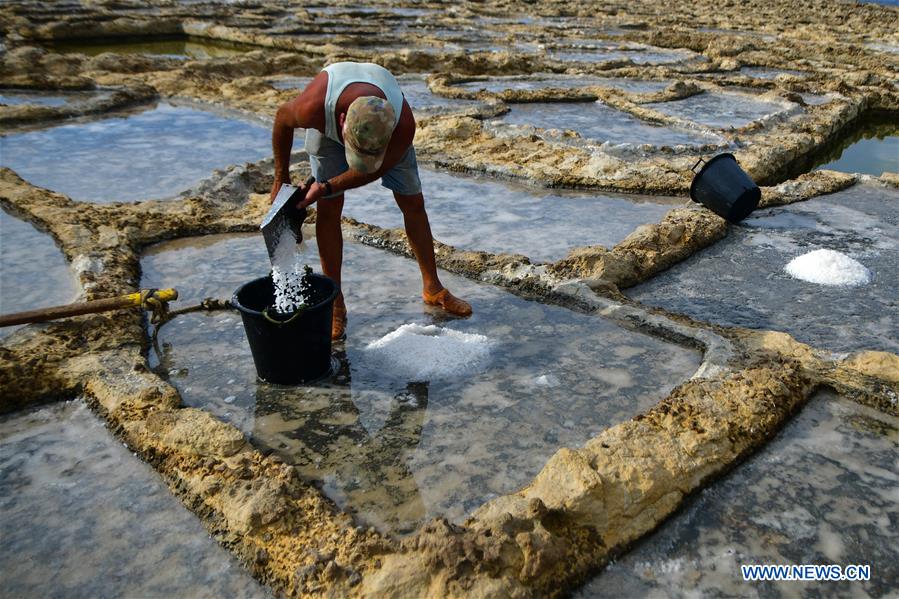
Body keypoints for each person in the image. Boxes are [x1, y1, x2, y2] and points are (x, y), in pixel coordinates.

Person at [270, 61, 472, 341]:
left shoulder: (401, 126)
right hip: (329, 133)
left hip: (382, 136)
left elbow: (374, 169)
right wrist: (280, 177)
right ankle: (336, 303)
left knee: (413, 204)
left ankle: (433, 288)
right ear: (341, 120)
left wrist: (326, 186)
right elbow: (282, 118)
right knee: (329, 210)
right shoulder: (313, 108)